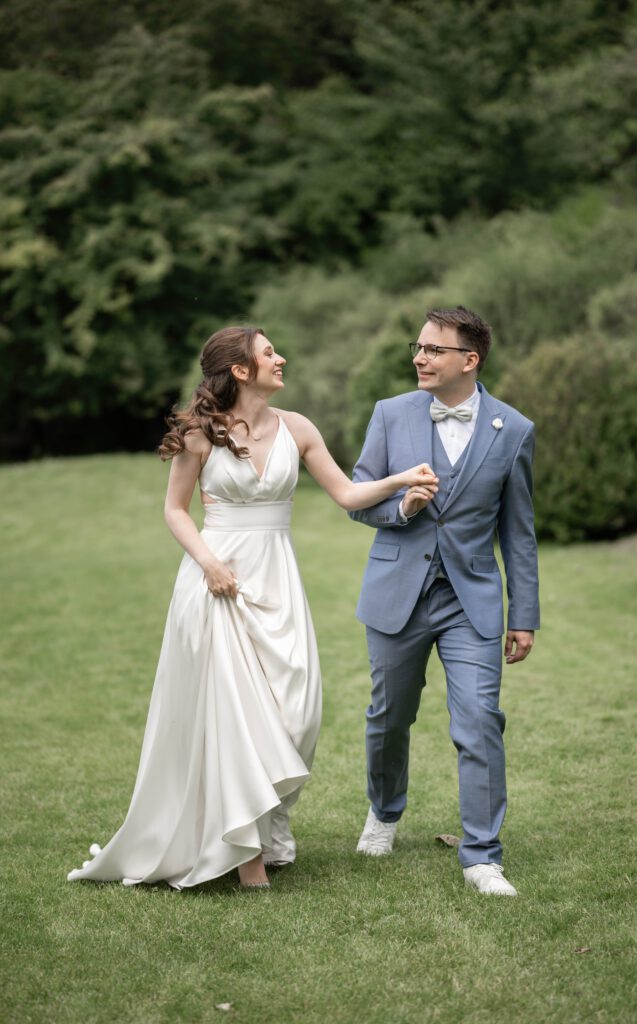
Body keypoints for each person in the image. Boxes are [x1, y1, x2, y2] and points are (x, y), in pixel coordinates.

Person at [67, 326, 437, 891]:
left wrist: (402, 481)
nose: (280, 357)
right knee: (234, 716)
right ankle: (249, 862)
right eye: (269, 353)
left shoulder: (298, 428)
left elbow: (346, 494)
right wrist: (209, 563)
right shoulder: (201, 434)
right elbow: (175, 510)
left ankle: (266, 827)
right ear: (240, 369)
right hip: (218, 581)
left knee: (299, 712)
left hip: (278, 578)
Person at [350, 306, 539, 896]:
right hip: (397, 592)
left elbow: (519, 532)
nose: (420, 357)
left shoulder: (514, 430)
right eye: (419, 347)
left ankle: (483, 855)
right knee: (389, 717)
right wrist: (400, 508)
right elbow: (358, 498)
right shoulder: (390, 414)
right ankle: (384, 811)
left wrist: (524, 615)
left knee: (480, 720)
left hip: (472, 600)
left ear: (469, 359)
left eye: (433, 349)